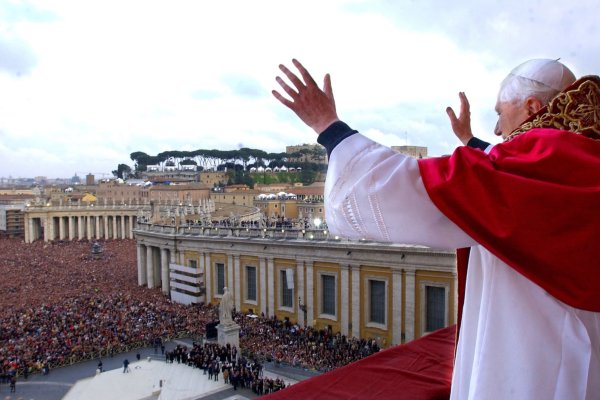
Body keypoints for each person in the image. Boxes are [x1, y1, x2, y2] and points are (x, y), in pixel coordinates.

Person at [273, 59, 600, 399]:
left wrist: (329, 127)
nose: (500, 130)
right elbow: (512, 182)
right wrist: (469, 140)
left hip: (536, 367)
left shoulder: (523, 172)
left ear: (532, 107)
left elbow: (407, 189)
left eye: (500, 113)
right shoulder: (581, 161)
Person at [446, 59, 576, 152]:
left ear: (532, 109)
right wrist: (467, 137)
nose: (497, 131)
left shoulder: (520, 172)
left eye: (500, 113)